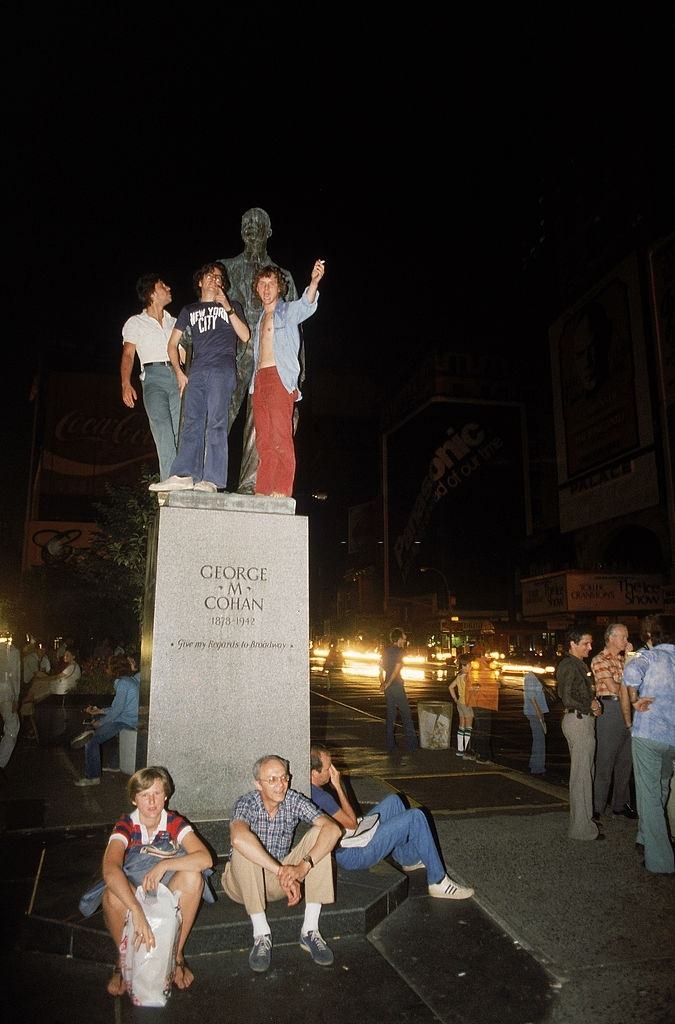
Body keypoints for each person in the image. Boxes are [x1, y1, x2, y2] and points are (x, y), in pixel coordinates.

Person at [78, 765, 214, 996]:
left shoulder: (173, 821)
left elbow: (205, 859)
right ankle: (123, 960)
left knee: (193, 877)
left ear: (166, 795)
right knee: (111, 894)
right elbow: (110, 869)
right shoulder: (126, 824)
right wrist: (136, 910)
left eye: (157, 793)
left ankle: (176, 955)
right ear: (134, 799)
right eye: (144, 795)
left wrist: (165, 864)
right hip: (135, 887)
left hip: (165, 885)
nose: (151, 802)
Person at [221, 753, 340, 973]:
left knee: (321, 835)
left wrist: (302, 867)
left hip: (279, 882)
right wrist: (281, 870)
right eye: (272, 780)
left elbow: (333, 828)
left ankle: (310, 930)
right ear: (258, 783)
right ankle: (261, 934)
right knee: (244, 846)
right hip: (242, 885)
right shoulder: (247, 802)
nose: (280, 785)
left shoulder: (292, 799)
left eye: (284, 778)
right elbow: (237, 837)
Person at [310, 742, 474, 899]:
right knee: (416, 817)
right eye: (328, 768)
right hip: (353, 855)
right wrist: (338, 786)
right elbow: (351, 822)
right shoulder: (321, 797)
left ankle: (407, 859)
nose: (333, 771)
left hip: (349, 839)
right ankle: (438, 882)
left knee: (395, 801)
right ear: (314, 773)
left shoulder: (312, 790)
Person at [149, 263, 250, 494]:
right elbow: (172, 344)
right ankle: (185, 474)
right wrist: (179, 373)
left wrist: (227, 308)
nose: (216, 279)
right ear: (201, 282)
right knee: (191, 423)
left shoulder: (232, 306)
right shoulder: (189, 310)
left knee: (216, 422)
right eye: (210, 276)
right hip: (197, 371)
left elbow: (245, 335)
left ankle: (212, 480)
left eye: (219, 277)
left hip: (222, 368)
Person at [219, 208, 300, 494]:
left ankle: (252, 484)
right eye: (246, 225)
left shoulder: (283, 276)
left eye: (258, 225)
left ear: (269, 232)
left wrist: (298, 379)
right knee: (218, 414)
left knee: (263, 427)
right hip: (232, 354)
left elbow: (297, 327)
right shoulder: (225, 268)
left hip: (269, 361)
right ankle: (203, 476)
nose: (251, 229)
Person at [250, 259, 325, 497]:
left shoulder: (287, 311)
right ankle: (263, 489)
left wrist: (313, 281)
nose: (266, 288)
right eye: (262, 283)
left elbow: (306, 305)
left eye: (271, 283)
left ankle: (282, 488)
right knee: (263, 439)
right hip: (259, 380)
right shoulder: (260, 318)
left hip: (278, 378)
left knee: (281, 435)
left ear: (279, 287)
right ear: (257, 288)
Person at [623, 614, 675, 875]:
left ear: (650, 636)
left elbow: (630, 672)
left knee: (649, 796)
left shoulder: (650, 656)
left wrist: (634, 700)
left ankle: (661, 860)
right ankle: (645, 837)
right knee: (663, 787)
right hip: (672, 738)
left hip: (648, 734)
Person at [121, 273, 182, 481]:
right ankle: (170, 479)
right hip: (153, 378)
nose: (168, 288)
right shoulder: (135, 322)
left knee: (180, 430)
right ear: (152, 293)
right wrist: (125, 383)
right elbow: (128, 354)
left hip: (176, 376)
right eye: (163, 285)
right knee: (162, 427)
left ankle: (182, 476)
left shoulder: (175, 322)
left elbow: (183, 353)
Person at [555, 628, 603, 841]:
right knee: (581, 777)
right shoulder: (568, 665)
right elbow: (566, 697)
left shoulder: (577, 665)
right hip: (578, 720)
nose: (590, 647)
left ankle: (586, 819)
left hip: (582, 719)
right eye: (586, 643)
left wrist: (593, 704)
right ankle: (582, 829)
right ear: (573, 644)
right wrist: (590, 705)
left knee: (585, 773)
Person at [72, 652, 140, 787]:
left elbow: (117, 711)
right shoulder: (130, 680)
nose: (107, 669)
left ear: (115, 669)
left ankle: (92, 777)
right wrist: (100, 711)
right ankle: (115, 764)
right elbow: (118, 707)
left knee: (92, 740)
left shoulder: (122, 683)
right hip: (129, 718)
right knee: (99, 719)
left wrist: (101, 722)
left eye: (109, 666)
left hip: (125, 721)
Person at [591, 623, 637, 820]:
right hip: (610, 709)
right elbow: (615, 687)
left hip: (629, 709)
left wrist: (631, 659)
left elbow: (638, 681)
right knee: (605, 761)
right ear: (610, 638)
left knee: (625, 761)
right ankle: (597, 807)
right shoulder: (600, 660)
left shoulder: (624, 660)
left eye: (627, 637)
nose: (626, 641)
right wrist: (629, 684)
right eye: (623, 637)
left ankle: (621, 804)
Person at [19, 646, 81, 738]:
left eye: (68, 655)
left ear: (74, 656)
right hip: (55, 688)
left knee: (37, 683)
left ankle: (23, 705)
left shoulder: (71, 667)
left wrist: (43, 679)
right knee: (37, 682)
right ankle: (26, 706)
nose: (65, 656)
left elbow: (56, 677)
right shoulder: (72, 666)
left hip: (57, 690)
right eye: (64, 655)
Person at [380, 628, 418, 752]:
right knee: (406, 714)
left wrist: (383, 683)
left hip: (388, 687)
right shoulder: (400, 652)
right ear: (399, 639)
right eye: (404, 638)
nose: (405, 641)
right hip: (396, 685)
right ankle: (412, 744)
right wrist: (389, 683)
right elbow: (396, 669)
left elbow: (380, 668)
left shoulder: (385, 651)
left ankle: (390, 744)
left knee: (391, 715)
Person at [465, 648, 500, 764]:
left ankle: (472, 751)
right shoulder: (481, 667)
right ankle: (482, 756)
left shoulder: (481, 666)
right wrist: (494, 685)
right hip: (483, 702)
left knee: (479, 728)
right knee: (484, 730)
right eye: (489, 653)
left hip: (479, 702)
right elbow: (478, 685)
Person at [0, 637, 21, 775]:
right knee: (13, 727)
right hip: (6, 693)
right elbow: (15, 676)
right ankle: (1, 761)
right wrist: (16, 698)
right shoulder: (12, 651)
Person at [522, 671, 549, 776]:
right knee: (539, 740)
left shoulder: (532, 676)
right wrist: (539, 713)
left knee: (538, 739)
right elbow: (532, 697)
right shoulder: (530, 677)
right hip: (534, 713)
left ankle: (534, 764)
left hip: (534, 712)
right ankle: (538, 768)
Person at [448, 653, 474, 757]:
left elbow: (450, 687)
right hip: (467, 704)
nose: (470, 667)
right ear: (463, 666)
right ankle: (466, 750)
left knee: (461, 726)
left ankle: (460, 749)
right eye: (468, 665)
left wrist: (455, 699)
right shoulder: (467, 677)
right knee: (469, 727)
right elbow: (471, 689)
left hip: (460, 703)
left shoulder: (459, 676)